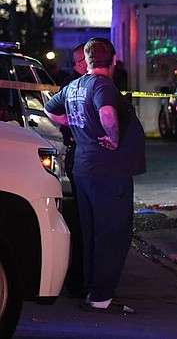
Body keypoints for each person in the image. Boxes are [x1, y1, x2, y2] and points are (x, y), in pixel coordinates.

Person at [44, 37, 146, 313]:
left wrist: (76, 124)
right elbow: (107, 113)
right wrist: (112, 139)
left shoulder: (74, 86)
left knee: (91, 233)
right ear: (112, 61)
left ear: (86, 61)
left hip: (85, 169)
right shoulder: (103, 85)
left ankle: (93, 291)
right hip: (108, 171)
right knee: (112, 233)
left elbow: (50, 109)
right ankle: (102, 297)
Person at [60, 42, 87, 296]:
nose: (86, 65)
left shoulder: (89, 84)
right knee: (81, 220)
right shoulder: (73, 86)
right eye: (83, 61)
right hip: (79, 155)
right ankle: (77, 279)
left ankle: (82, 277)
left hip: (82, 155)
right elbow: (53, 111)